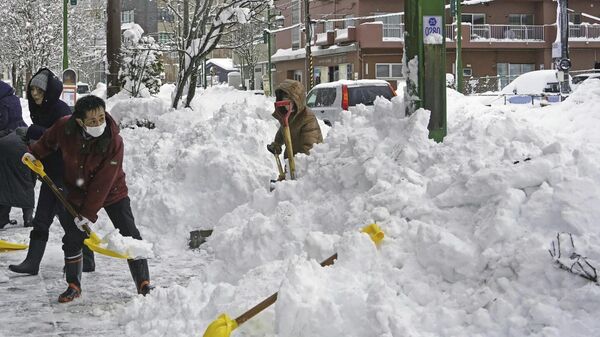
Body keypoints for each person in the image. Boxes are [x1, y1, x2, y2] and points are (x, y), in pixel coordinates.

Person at [25, 95, 151, 303]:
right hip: (77, 190)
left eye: (101, 117)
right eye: (92, 121)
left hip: (112, 191)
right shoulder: (65, 127)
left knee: (130, 233)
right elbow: (48, 141)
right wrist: (34, 153)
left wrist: (87, 214)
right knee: (73, 237)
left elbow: (104, 181)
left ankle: (143, 283)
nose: (99, 123)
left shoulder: (113, 140)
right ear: (79, 121)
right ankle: (73, 285)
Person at [9, 68, 96, 275]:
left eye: (40, 90)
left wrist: (32, 132)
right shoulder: (39, 109)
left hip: (66, 174)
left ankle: (88, 258)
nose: (35, 94)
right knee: (42, 220)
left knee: (68, 220)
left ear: (48, 92)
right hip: (49, 173)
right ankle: (32, 263)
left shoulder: (61, 109)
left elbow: (64, 138)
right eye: (32, 90)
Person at [0, 80, 34, 228]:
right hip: (22, 137)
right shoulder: (13, 98)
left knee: (4, 182)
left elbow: (3, 122)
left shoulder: (2, 102)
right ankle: (28, 218)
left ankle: (2, 219)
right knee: (25, 180)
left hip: (7, 141)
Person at [267, 79, 323, 160]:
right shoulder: (289, 116)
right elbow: (283, 131)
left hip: (306, 163)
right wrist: (277, 144)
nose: (289, 105)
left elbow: (309, 146)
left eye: (292, 101)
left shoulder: (308, 118)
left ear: (299, 101)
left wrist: (299, 163)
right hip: (291, 160)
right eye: (285, 102)